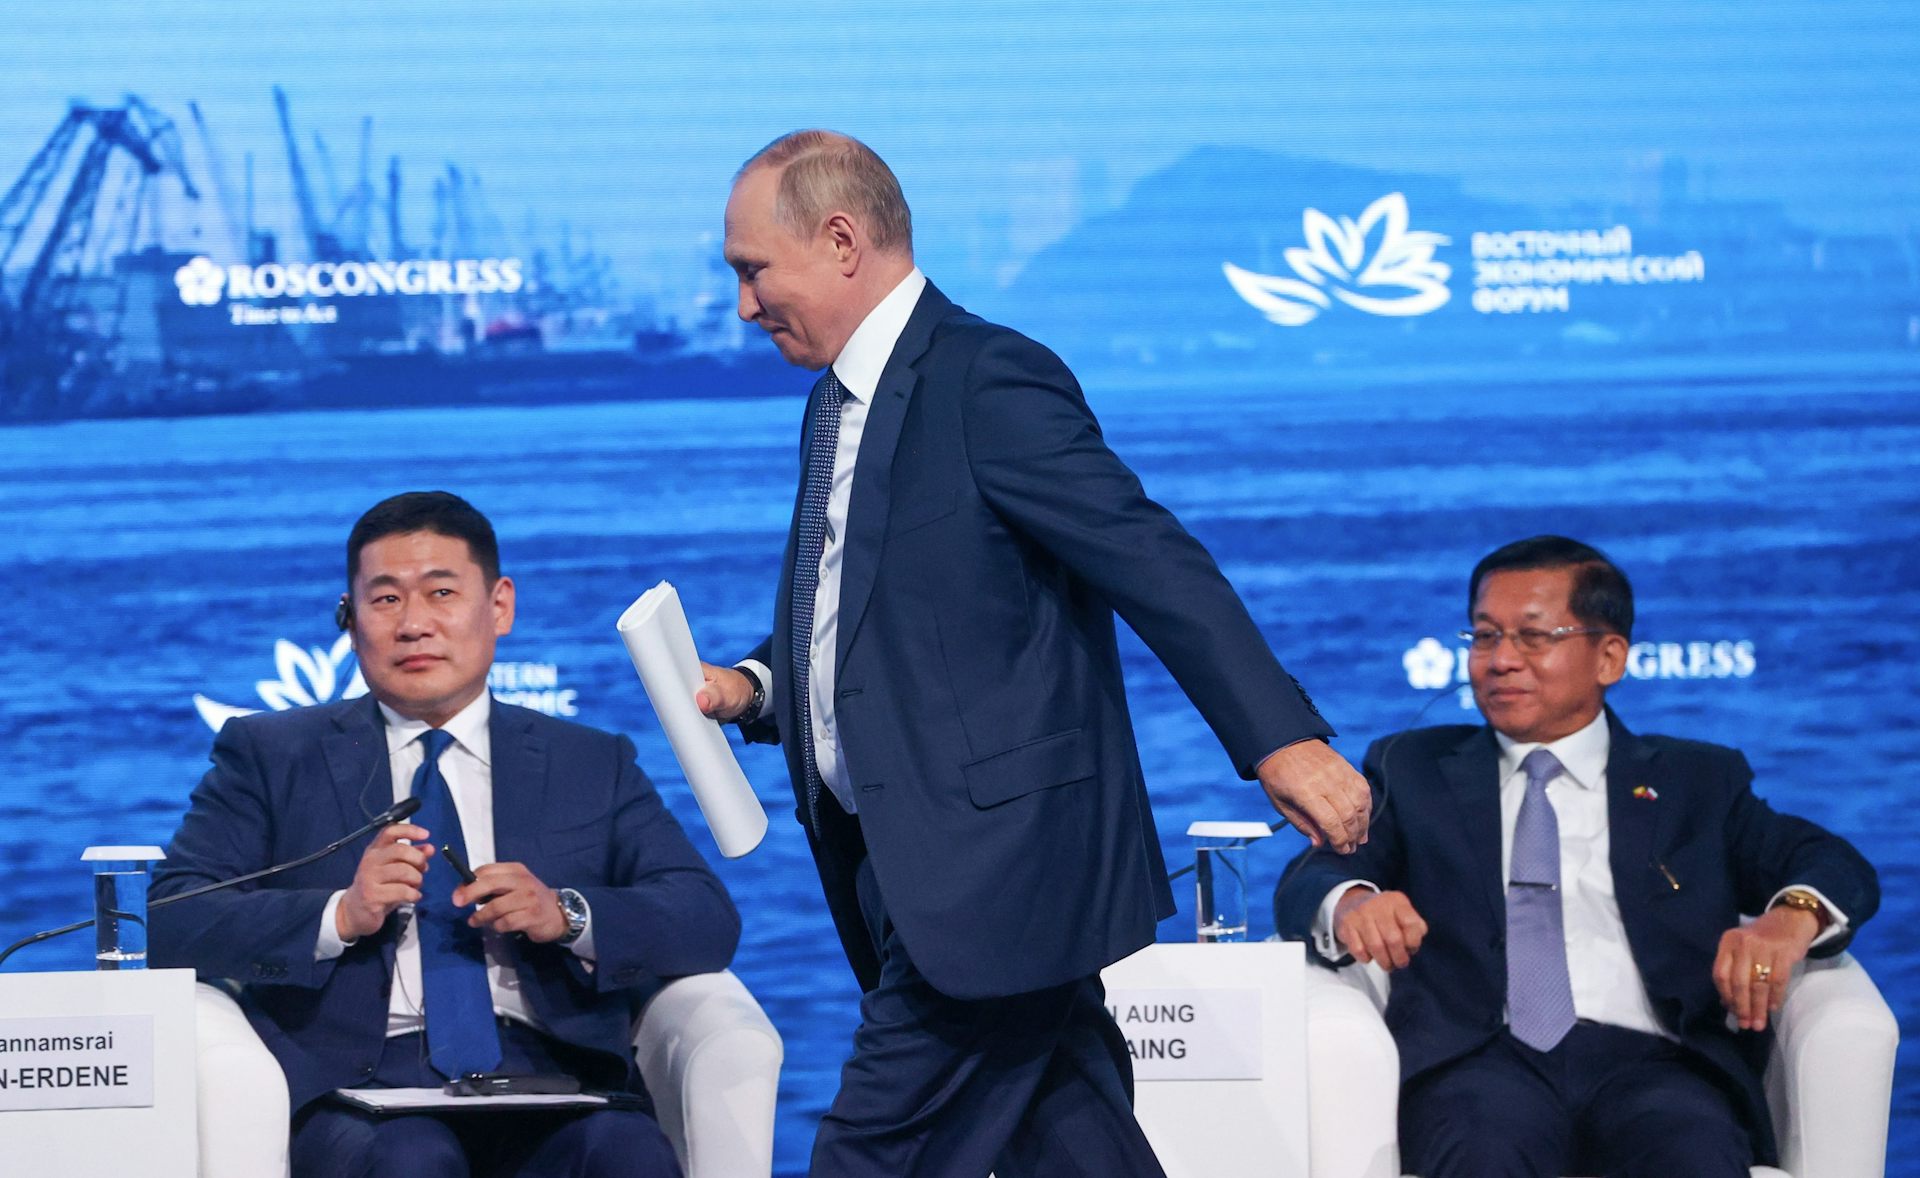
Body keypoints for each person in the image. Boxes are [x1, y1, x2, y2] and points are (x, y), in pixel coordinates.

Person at [693, 129, 1372, 1178]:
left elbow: (1148, 555)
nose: (744, 305)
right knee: (1076, 1136)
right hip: (903, 864)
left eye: (752, 271)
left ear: (838, 240)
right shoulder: (835, 403)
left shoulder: (987, 378)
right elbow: (860, 614)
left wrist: (1280, 736)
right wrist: (758, 685)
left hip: (994, 870)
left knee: (874, 1153)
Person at [152, 491, 739, 1178]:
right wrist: (340, 915)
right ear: (349, 618)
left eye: (440, 593)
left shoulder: (589, 760)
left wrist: (567, 914)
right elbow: (169, 919)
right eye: (386, 600)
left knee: (628, 1153)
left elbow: (705, 918)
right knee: (414, 1159)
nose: (414, 625)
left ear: (499, 607)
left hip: (553, 1083)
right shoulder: (272, 755)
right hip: (360, 1097)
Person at [1274, 535, 1879, 1177]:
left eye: (1534, 637)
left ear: (1609, 656)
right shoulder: (1414, 769)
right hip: (1480, 1063)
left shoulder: (1696, 780)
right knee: (1480, 1150)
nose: (1501, 660)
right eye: (1483, 636)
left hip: (1658, 1063)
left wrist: (1791, 918)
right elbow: (1311, 878)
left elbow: (1831, 861)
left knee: (1693, 1152)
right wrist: (1353, 904)